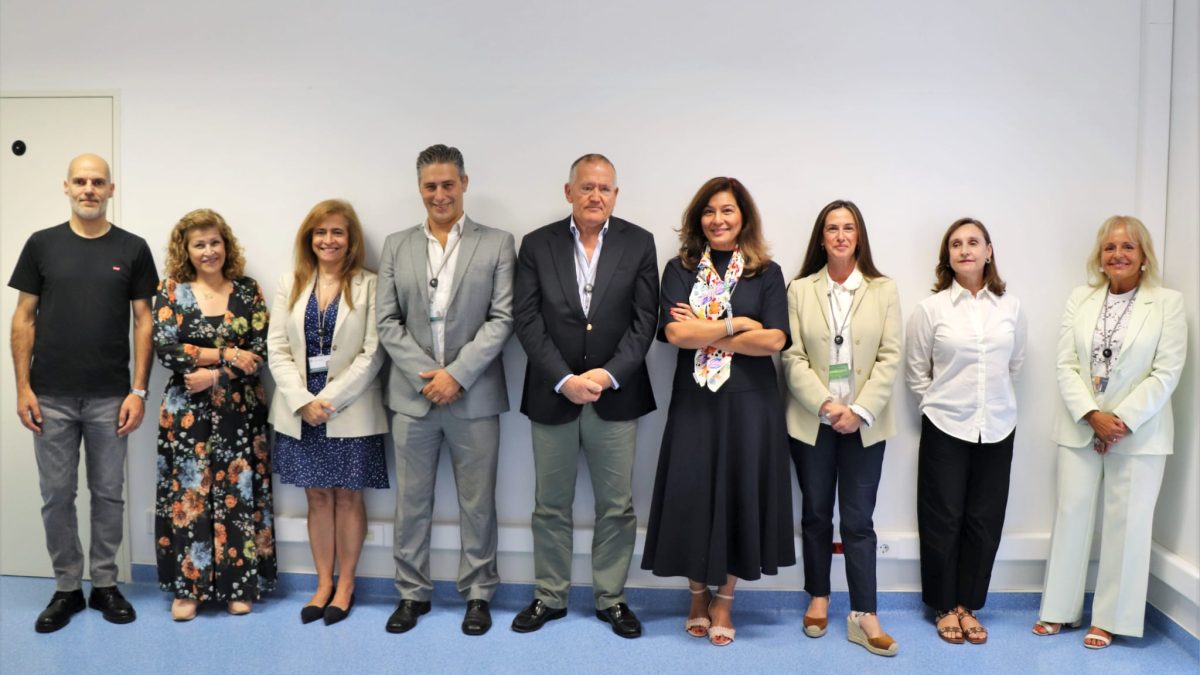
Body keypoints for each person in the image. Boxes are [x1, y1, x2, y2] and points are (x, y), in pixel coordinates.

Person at [641, 177, 794, 646]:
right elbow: (675, 335)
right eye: (709, 211)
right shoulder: (680, 269)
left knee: (737, 495)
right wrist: (737, 323)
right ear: (698, 219)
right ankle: (695, 595)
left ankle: (724, 600)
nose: (718, 219)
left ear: (743, 217)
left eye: (727, 210)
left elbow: (773, 340)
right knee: (692, 494)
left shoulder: (765, 272)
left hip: (750, 405)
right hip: (695, 402)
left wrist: (707, 330)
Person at [511, 153, 658, 639]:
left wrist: (608, 374)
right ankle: (550, 596)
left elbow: (645, 321)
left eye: (605, 188)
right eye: (587, 187)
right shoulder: (537, 244)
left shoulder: (639, 242)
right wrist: (564, 378)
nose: (596, 196)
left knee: (616, 506)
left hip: (616, 396)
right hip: (553, 393)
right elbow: (526, 319)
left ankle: (611, 598)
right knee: (550, 505)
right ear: (568, 191)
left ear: (616, 194)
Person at [9, 154, 156, 633]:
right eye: (80, 181)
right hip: (49, 396)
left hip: (111, 397)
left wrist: (138, 390)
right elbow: (23, 317)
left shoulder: (132, 248)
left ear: (111, 189)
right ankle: (68, 588)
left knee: (108, 494)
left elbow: (144, 321)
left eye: (97, 182)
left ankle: (106, 584)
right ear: (66, 187)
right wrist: (23, 387)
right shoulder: (41, 244)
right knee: (56, 495)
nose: (88, 189)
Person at [377, 144, 515, 636]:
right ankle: (411, 594)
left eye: (448, 184)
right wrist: (430, 376)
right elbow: (387, 322)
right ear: (420, 189)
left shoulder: (497, 243)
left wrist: (457, 374)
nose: (440, 194)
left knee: (478, 503)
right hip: (412, 399)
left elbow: (502, 318)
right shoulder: (396, 245)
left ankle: (478, 594)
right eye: (431, 186)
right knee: (411, 503)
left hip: (474, 396)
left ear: (464, 184)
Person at [1034, 216, 1186, 649]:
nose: (1118, 254)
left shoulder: (1168, 303)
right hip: (1080, 425)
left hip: (1139, 432)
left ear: (1143, 256)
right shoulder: (1080, 299)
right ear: (1099, 257)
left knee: (1127, 525)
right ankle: (1059, 609)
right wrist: (1091, 414)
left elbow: (1166, 372)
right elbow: (1065, 364)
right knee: (1071, 516)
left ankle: (1110, 619)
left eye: (1128, 247)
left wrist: (1118, 419)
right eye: (1109, 247)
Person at [781, 199, 901, 657]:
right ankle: (818, 596)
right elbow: (792, 357)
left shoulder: (883, 289)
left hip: (865, 425)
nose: (840, 236)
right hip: (814, 421)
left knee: (858, 520)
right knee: (815, 512)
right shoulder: (800, 289)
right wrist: (827, 405)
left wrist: (860, 409)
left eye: (848, 228)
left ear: (859, 236)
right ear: (821, 237)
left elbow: (890, 356)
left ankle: (865, 613)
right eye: (832, 228)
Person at [906, 218, 1026, 645]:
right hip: (945, 424)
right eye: (956, 244)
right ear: (948, 256)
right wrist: (939, 404)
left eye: (973, 242)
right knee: (942, 519)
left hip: (998, 425)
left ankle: (968, 606)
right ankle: (943, 606)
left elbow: (1015, 364)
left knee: (984, 519)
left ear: (989, 251)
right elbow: (917, 372)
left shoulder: (1011, 308)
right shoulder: (931, 309)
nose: (965, 250)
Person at [268, 199, 388, 626]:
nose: (328, 240)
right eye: (320, 232)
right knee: (317, 496)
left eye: (338, 232)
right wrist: (303, 400)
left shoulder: (371, 285)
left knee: (349, 496)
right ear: (309, 238)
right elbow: (277, 348)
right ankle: (322, 584)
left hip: (350, 408)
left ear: (350, 239)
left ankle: (346, 585)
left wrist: (330, 399)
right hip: (300, 410)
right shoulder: (291, 283)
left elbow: (373, 352)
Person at [152, 208, 276, 620]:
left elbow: (259, 352)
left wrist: (215, 374)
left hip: (240, 410)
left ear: (227, 245)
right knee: (190, 495)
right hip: (187, 412)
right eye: (199, 244)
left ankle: (238, 585)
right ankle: (189, 590)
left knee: (238, 493)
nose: (209, 251)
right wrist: (227, 354)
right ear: (186, 250)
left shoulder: (247, 290)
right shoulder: (171, 290)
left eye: (215, 242)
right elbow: (167, 350)